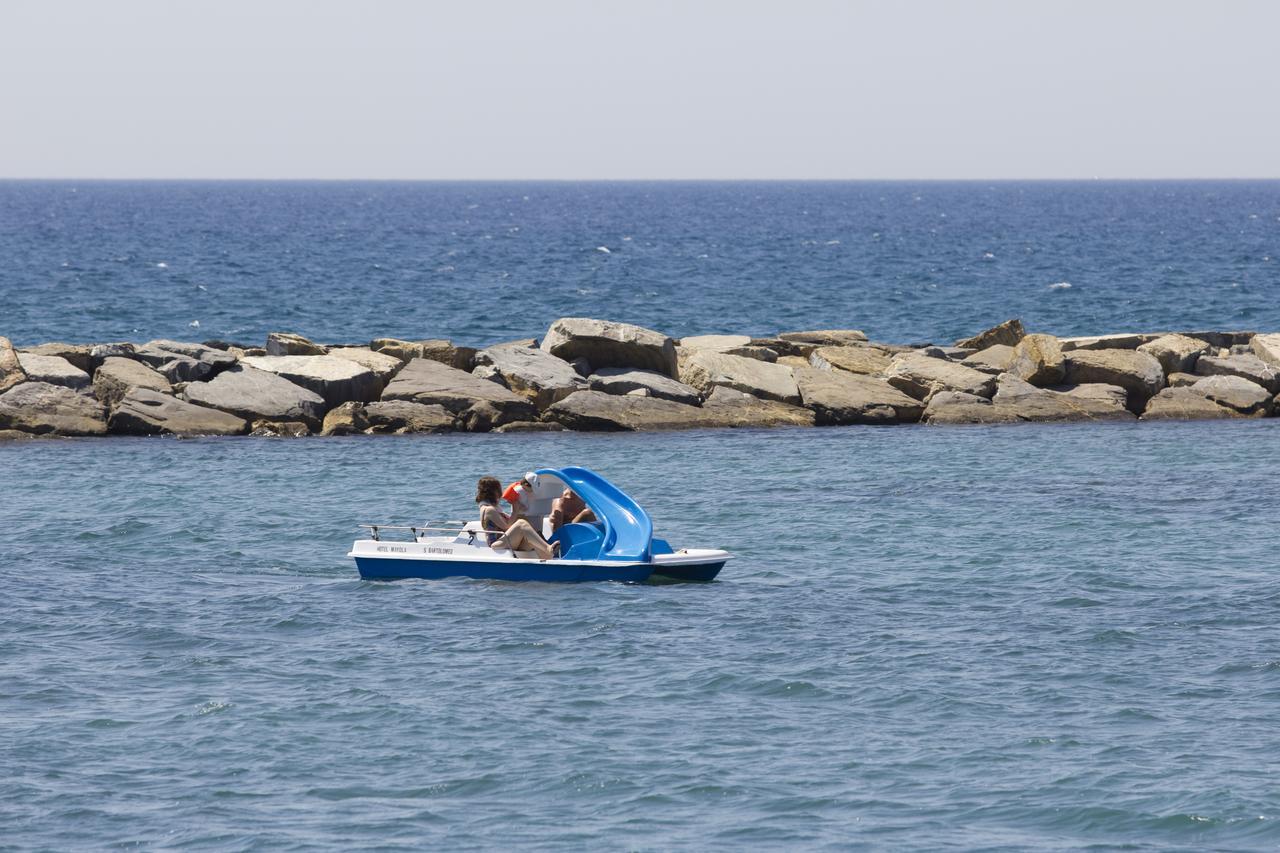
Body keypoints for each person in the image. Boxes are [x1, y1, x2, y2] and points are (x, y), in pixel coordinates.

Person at [476, 476, 558, 560]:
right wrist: (515, 511)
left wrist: (519, 509)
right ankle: (548, 548)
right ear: (494, 492)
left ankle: (548, 559)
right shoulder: (489, 510)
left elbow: (509, 524)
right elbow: (507, 527)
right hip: (497, 544)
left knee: (533, 536)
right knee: (521, 523)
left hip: (506, 540)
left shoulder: (493, 508)